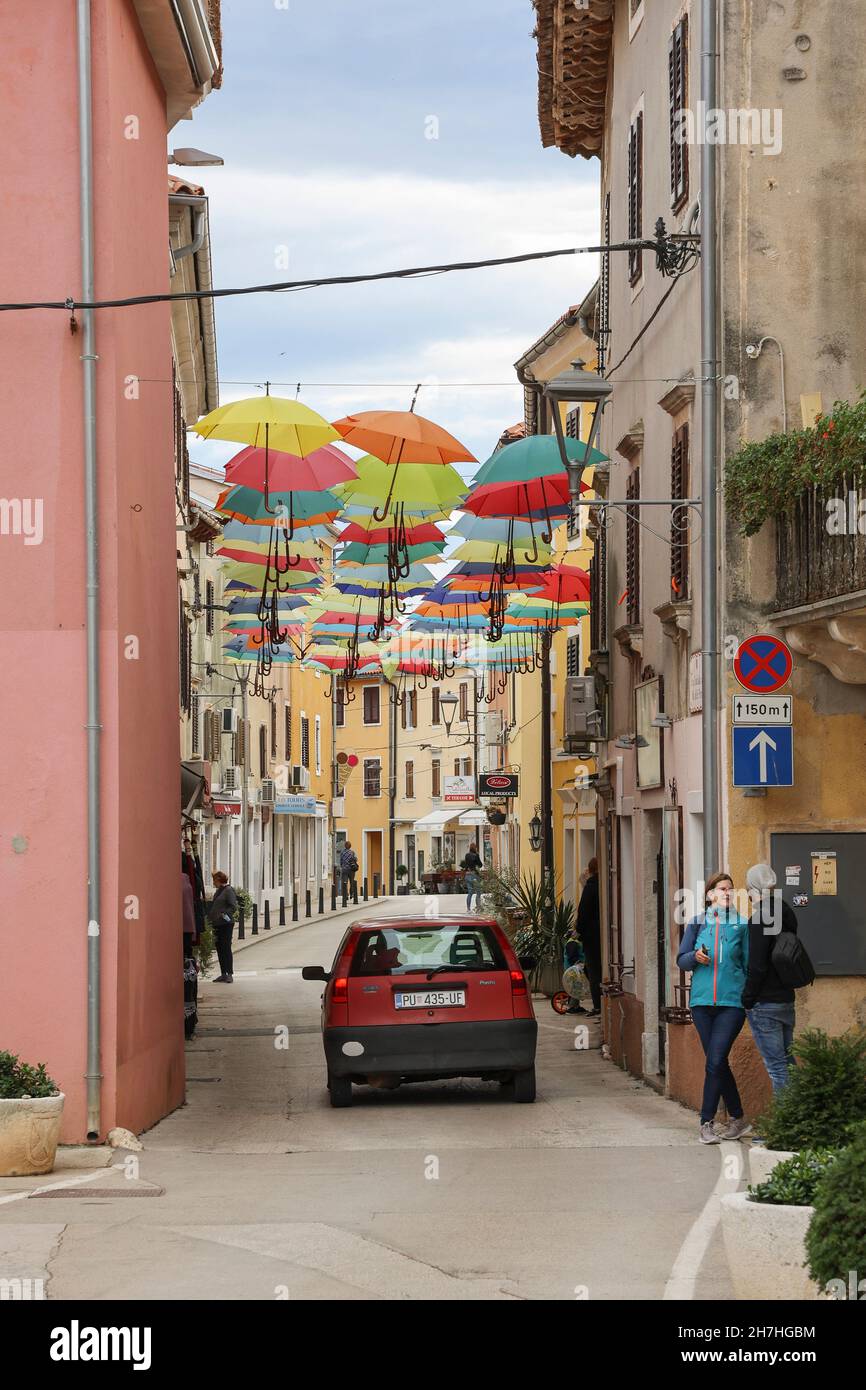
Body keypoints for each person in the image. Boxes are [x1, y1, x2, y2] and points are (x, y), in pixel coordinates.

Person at [677, 872, 751, 1144]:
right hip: (701, 1003)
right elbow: (681, 961)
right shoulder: (697, 924)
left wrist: (746, 994)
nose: (728, 893)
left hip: (731, 1004)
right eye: (722, 889)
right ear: (710, 895)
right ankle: (738, 1118)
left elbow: (749, 965)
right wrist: (694, 957)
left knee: (716, 1061)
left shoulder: (742, 925)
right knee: (716, 1063)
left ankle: (705, 1123)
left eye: (731, 889)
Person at [742, 862, 798, 1092]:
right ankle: (799, 1118)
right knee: (789, 1063)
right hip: (786, 998)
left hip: (765, 1003)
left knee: (777, 1068)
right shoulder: (785, 913)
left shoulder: (758, 920)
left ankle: (786, 1125)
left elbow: (757, 967)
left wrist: (747, 998)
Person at [576, 857, 601, 1016]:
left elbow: (583, 911)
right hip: (601, 934)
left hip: (591, 936)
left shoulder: (591, 886)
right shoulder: (605, 884)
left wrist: (579, 930)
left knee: (593, 970)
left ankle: (598, 1005)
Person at [208, 870, 238, 984]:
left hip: (226, 924)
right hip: (217, 924)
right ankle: (223, 973)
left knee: (226, 948)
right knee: (219, 948)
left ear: (219, 880)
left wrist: (224, 914)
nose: (213, 883)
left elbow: (233, 906)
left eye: (214, 880)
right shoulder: (218, 891)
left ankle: (229, 974)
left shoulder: (228, 890)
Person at [461, 843, 483, 911]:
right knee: (478, 892)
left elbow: (466, 865)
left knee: (470, 893)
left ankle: (468, 909)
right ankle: (478, 908)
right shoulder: (476, 855)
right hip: (474, 875)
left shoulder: (467, 855)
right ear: (475, 848)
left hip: (468, 875)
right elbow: (480, 865)